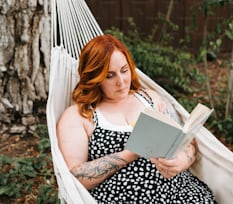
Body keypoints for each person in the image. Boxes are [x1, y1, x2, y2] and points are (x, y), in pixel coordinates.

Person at [57, 34, 216, 203]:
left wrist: (182, 161)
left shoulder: (150, 99)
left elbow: (187, 141)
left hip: (179, 194)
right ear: (94, 78)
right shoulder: (78, 116)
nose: (121, 81)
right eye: (110, 76)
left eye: (124, 70)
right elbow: (76, 177)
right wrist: (132, 152)